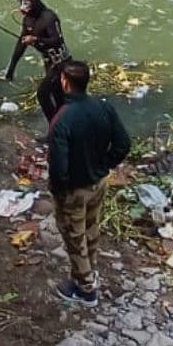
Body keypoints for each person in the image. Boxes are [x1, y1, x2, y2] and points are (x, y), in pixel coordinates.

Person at [47, 61, 131, 308]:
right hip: (99, 181)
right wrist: (105, 164)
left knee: (74, 236)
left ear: (65, 82)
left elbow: (59, 165)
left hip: (75, 189)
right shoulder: (104, 108)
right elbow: (123, 144)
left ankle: (85, 290)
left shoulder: (62, 119)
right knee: (91, 228)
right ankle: (89, 271)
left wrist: (58, 189)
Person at [4, 0, 72, 122]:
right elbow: (21, 43)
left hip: (60, 62)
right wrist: (11, 67)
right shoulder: (27, 19)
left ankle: (55, 129)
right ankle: (59, 127)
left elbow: (56, 40)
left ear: (36, 0)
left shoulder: (49, 17)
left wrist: (36, 39)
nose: (24, 5)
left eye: (27, 2)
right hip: (49, 62)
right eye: (22, 2)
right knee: (57, 96)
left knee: (43, 94)